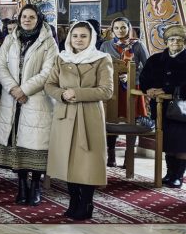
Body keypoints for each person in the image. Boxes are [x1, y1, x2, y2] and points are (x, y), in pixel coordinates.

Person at [44, 22, 114, 220]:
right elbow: (49, 85)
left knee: (88, 161)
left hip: (88, 115)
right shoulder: (61, 58)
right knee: (68, 160)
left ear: (91, 38)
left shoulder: (102, 59)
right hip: (65, 114)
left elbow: (106, 91)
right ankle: (74, 200)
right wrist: (62, 94)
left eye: (84, 36)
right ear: (69, 38)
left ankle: (87, 202)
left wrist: (77, 93)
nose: (79, 40)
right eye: (75, 36)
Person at [0, 4, 58, 206]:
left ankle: (36, 186)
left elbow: (48, 71)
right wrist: (13, 88)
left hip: (36, 98)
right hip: (12, 98)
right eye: (24, 16)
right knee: (17, 143)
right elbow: (0, 65)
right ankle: (21, 185)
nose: (27, 20)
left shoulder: (48, 42)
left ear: (38, 19)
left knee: (36, 144)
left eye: (31, 17)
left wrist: (24, 90)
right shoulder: (10, 39)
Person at [138, 25, 186, 188]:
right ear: (166, 42)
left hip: (182, 110)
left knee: (181, 142)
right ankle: (169, 173)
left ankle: (178, 176)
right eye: (172, 39)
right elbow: (144, 79)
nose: (175, 42)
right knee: (167, 142)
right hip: (160, 108)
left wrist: (168, 90)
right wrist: (148, 89)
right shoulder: (155, 59)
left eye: (179, 39)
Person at [99, 16, 149, 166]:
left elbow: (148, 68)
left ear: (129, 28)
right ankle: (111, 153)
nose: (120, 30)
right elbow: (99, 66)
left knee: (132, 121)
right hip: (112, 89)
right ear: (112, 30)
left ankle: (129, 154)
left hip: (133, 88)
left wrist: (132, 76)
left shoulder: (138, 45)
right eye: (116, 28)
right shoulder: (105, 45)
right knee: (111, 120)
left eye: (123, 27)